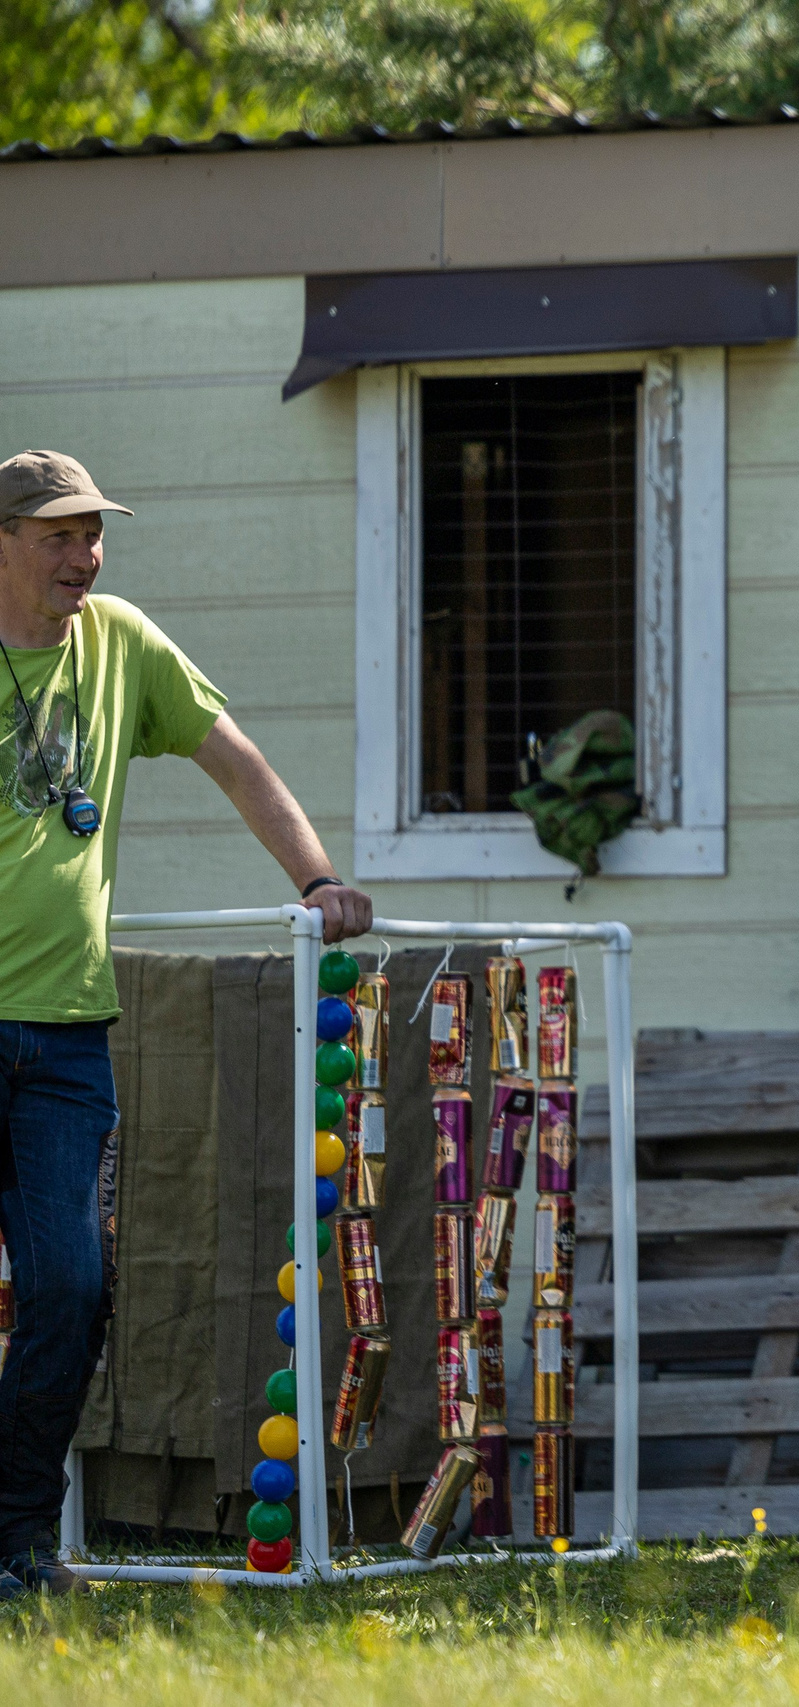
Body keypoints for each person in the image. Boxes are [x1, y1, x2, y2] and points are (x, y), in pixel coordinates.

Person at [0, 449, 373, 1601]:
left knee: (71, 1291)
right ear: (3, 542)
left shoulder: (119, 642)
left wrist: (318, 882)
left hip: (65, 1036)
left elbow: (235, 760)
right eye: (59, 535)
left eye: (94, 532)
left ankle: (14, 1542)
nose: (86, 555)